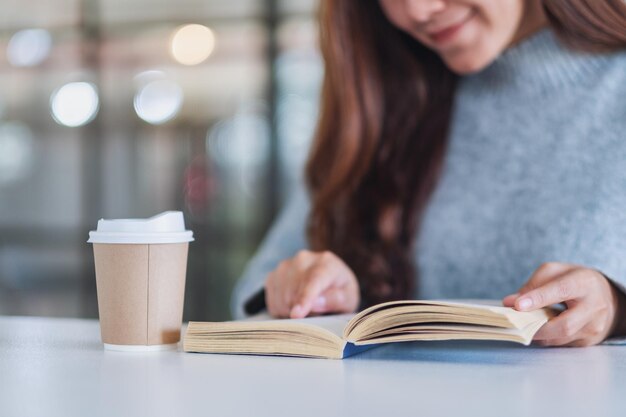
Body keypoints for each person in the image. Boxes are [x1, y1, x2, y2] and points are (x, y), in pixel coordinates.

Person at [232, 0, 626, 347]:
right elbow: (251, 294)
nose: (416, 11)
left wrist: (616, 308)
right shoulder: (383, 100)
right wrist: (305, 295)